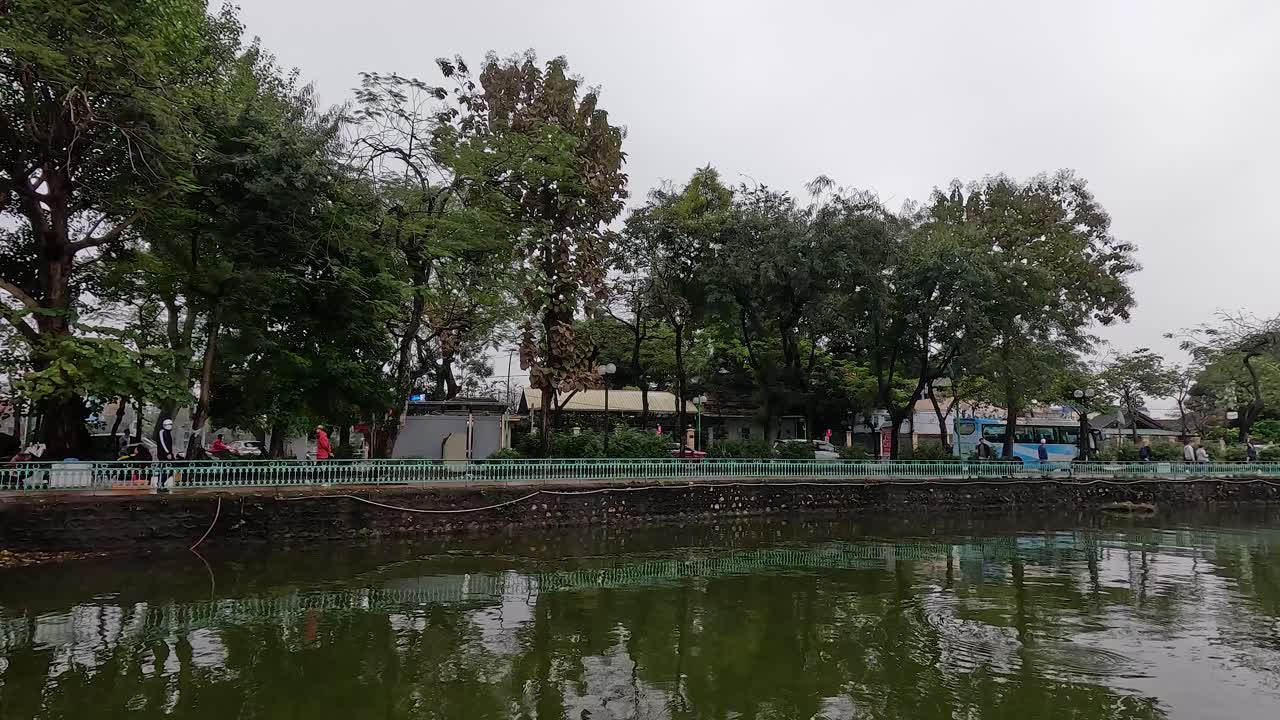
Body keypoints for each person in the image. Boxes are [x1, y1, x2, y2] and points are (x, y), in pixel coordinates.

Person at [155, 418, 175, 490]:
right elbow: (163, 443)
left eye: (171, 424)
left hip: (169, 454)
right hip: (163, 454)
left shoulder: (168, 433)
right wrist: (167, 453)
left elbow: (169, 444)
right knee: (163, 468)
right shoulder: (162, 432)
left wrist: (170, 453)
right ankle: (160, 483)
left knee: (171, 468)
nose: (170, 426)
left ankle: (162, 482)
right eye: (168, 424)